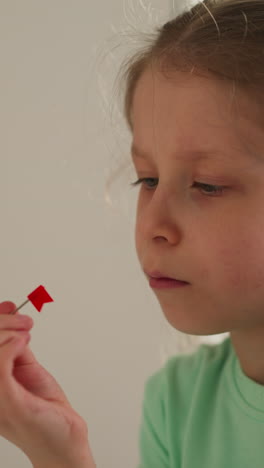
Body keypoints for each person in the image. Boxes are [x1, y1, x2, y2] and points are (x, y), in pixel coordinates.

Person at [1, 0, 264, 466]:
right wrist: (59, 452)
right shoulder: (177, 403)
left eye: (207, 185)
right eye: (148, 179)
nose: (152, 227)